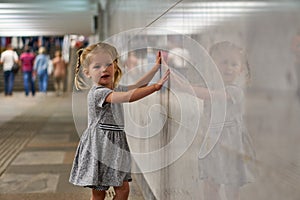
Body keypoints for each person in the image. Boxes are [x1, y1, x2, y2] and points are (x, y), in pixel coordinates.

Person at [69, 42, 169, 200]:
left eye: (108, 64)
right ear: (87, 73)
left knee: (122, 189)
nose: (104, 69)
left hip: (114, 145)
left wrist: (156, 68)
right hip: (100, 146)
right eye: (97, 66)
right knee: (100, 193)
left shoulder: (113, 88)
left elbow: (137, 86)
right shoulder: (98, 93)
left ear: (115, 66)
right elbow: (128, 97)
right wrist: (155, 87)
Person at [196, 41, 256, 200]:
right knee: (210, 182)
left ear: (241, 69)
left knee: (231, 183)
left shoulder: (235, 91)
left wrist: (184, 87)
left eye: (234, 64)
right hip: (213, 143)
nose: (228, 68)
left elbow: (209, 95)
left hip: (231, 143)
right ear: (213, 65)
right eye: (224, 63)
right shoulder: (213, 86)